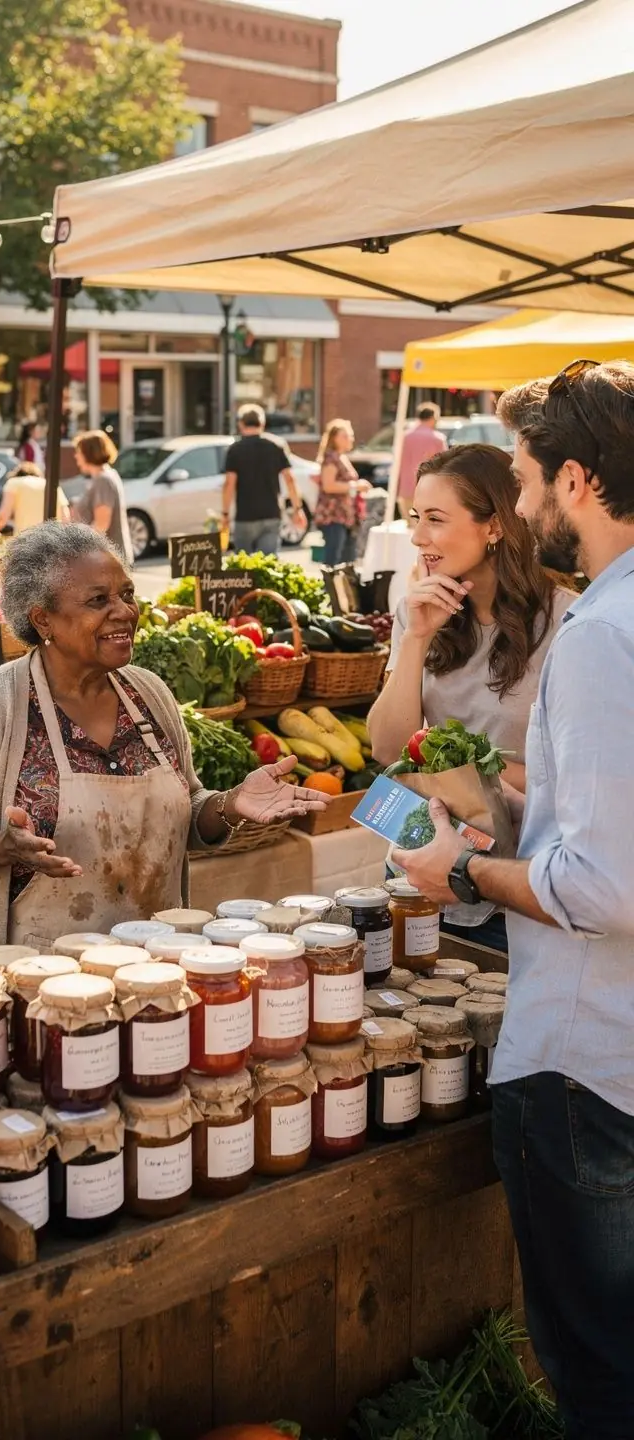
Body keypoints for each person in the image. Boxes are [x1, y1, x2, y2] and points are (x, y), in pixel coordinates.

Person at [391, 360, 634, 1440]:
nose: (525, 499)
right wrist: (531, 798)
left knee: (597, 1375)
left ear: (576, 479)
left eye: (530, 477)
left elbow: (605, 889)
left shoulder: (599, 635)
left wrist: (462, 873)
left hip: (588, 1064)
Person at [0, 524, 327, 964]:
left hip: (152, 966)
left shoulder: (149, 695)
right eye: (98, 600)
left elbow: (187, 812)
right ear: (42, 618)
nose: (124, 611)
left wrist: (230, 805)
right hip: (28, 977)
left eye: (127, 594)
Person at [368, 443, 573, 951]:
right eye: (416, 518)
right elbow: (387, 750)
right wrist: (416, 638)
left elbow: (575, 782)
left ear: (495, 526)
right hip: (415, 867)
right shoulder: (417, 612)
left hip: (512, 886)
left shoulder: (569, 624)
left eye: (436, 519)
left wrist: (468, 772)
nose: (418, 537)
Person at [222, 404, 305, 554]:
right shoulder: (276, 446)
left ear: (240, 424)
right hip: (271, 513)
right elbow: (290, 479)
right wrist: (297, 509)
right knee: (268, 564)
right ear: (263, 423)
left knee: (243, 568)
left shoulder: (234, 450)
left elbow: (229, 484)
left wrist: (225, 514)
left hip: (245, 515)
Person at [71, 430, 134, 566]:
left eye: (79, 452)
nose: (76, 457)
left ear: (89, 453)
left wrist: (77, 545)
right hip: (109, 559)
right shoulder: (108, 475)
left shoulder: (103, 480)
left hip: (106, 561)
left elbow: (101, 525)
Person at [313, 417, 366, 567]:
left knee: (346, 559)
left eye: (350, 435)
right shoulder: (331, 458)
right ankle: (328, 589)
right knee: (333, 559)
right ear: (334, 438)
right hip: (333, 516)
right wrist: (355, 486)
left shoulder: (342, 457)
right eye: (345, 435)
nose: (350, 439)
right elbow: (328, 486)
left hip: (345, 515)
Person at [0, 463, 69, 535]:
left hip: (25, 540)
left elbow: (3, 514)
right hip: (50, 539)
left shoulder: (13, 483)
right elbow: (65, 517)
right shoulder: (51, 485)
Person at [397, 402, 446, 517]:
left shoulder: (404, 437)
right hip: (429, 491)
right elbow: (444, 467)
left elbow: (397, 464)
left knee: (409, 526)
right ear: (433, 417)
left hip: (406, 489)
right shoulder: (437, 439)